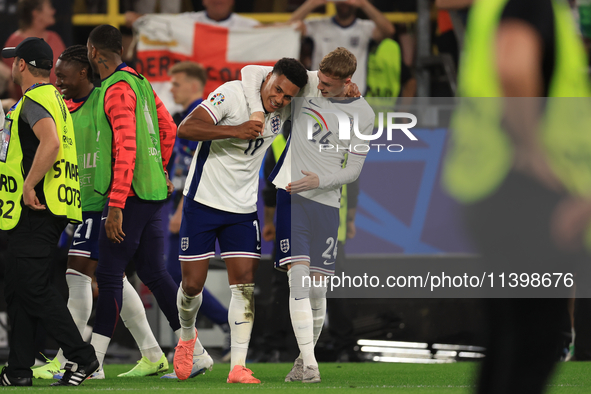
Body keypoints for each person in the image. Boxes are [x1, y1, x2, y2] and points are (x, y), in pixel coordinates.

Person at [442, 0, 591, 393]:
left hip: (493, 186)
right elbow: (513, 65)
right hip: (524, 191)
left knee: (510, 345)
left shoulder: (497, 6)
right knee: (531, 347)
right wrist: (534, 156)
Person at [29, 44, 170, 380]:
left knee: (78, 276)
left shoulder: (108, 97)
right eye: (55, 76)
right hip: (79, 203)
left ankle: (71, 359)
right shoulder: (64, 106)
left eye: (63, 76)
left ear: (83, 71)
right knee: (113, 278)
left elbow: (146, 135)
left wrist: (150, 172)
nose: (58, 81)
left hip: (104, 201)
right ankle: (153, 354)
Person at [240, 46, 373, 383]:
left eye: (330, 83)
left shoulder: (363, 113)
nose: (322, 87)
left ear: (348, 82)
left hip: (328, 204)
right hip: (292, 197)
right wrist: (257, 112)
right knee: (296, 280)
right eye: (322, 79)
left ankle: (304, 360)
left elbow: (354, 170)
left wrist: (320, 180)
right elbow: (252, 72)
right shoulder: (308, 85)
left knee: (318, 290)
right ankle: (311, 365)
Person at [174, 57, 308, 384]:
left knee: (244, 286)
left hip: (243, 208)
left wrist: (348, 88)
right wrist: (235, 130)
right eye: (277, 90)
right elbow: (187, 128)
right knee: (192, 285)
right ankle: (187, 339)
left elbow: (321, 84)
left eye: (288, 96)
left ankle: (238, 366)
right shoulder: (232, 94)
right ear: (268, 78)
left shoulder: (284, 110)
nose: (279, 100)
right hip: (203, 200)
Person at [83, 24, 187, 376]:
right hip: (151, 192)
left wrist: (115, 206)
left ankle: (92, 363)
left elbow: (125, 147)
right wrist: (158, 170)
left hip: (129, 196)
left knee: (110, 275)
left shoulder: (114, 89)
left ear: (94, 53)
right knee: (154, 272)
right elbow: (169, 129)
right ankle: (195, 349)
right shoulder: (141, 82)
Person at [0, 37, 98, 386]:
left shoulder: (35, 98)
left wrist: (29, 185)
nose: (11, 65)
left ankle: (83, 359)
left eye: (14, 60)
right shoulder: (53, 97)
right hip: (45, 207)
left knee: (33, 286)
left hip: (36, 207)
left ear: (22, 65)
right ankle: (18, 371)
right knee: (20, 287)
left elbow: (51, 142)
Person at [164, 61, 232, 371]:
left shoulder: (199, 118)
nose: (172, 88)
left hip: (187, 203)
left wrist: (178, 210)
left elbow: (195, 167)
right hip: (177, 200)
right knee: (172, 274)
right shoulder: (188, 117)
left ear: (194, 85)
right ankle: (193, 341)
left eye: (177, 83)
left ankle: (206, 334)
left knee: (175, 274)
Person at [290, 0, 394, 95]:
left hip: (352, 97)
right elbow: (287, 29)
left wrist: (364, 4)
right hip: (320, 95)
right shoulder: (319, 25)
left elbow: (389, 31)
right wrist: (313, 3)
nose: (344, 3)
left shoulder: (365, 27)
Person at [2, 0, 65, 100]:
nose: (53, 11)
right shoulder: (14, 42)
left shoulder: (55, 38)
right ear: (36, 13)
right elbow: (9, 84)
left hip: (61, 105)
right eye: (49, 7)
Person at [126, 0, 259, 30]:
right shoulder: (189, 20)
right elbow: (164, 22)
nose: (218, 0)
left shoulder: (247, 25)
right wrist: (138, 19)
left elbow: (267, 32)